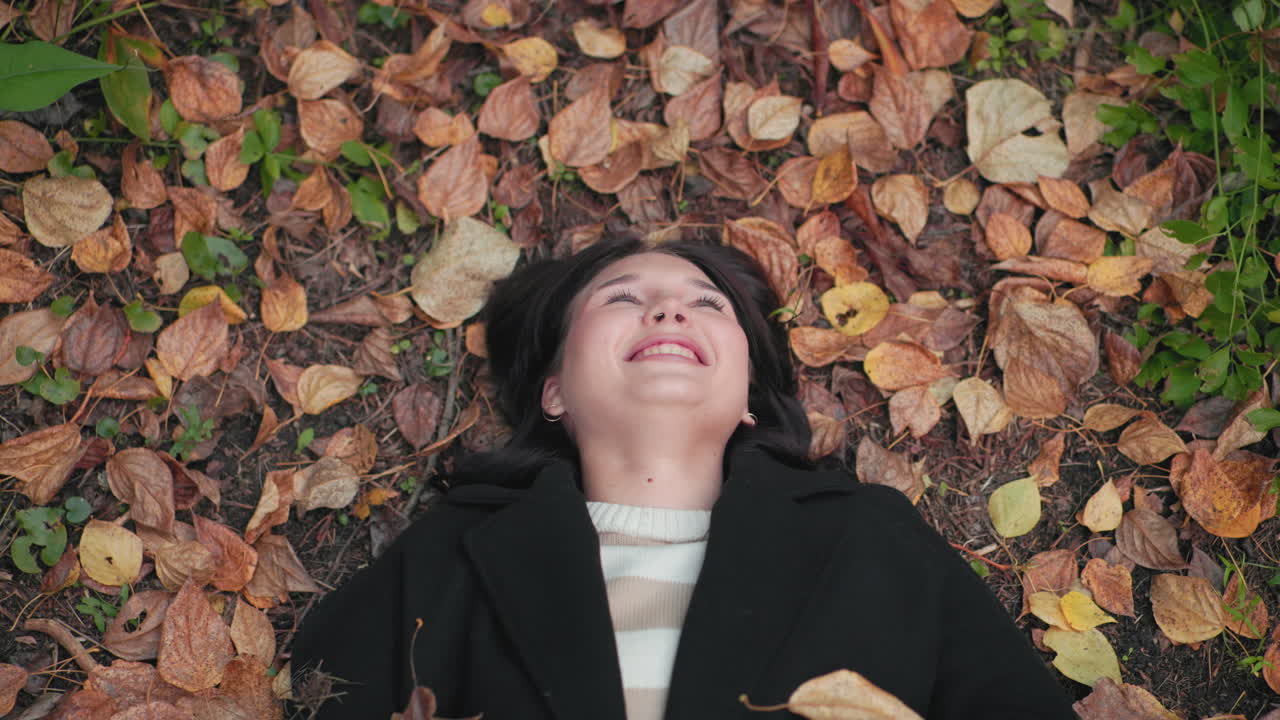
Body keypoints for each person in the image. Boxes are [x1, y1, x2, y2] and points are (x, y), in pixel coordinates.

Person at [290, 237, 1078, 720]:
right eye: (625, 297)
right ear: (555, 389)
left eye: (707, 304)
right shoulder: (457, 551)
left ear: (745, 400)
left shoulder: (871, 537)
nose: (669, 311)